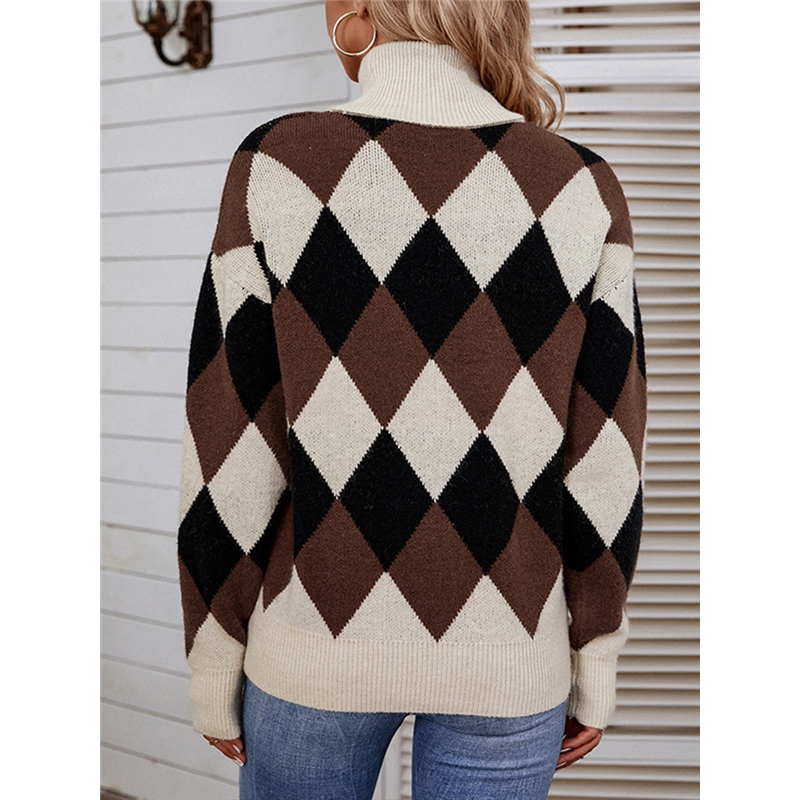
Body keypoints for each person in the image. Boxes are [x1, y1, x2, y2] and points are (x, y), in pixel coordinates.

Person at [177, 0, 648, 798]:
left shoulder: (278, 163)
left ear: (356, 12)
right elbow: (605, 455)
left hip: (313, 647)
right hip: (511, 659)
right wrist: (593, 659)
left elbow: (231, 438)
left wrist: (213, 655)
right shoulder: (579, 182)